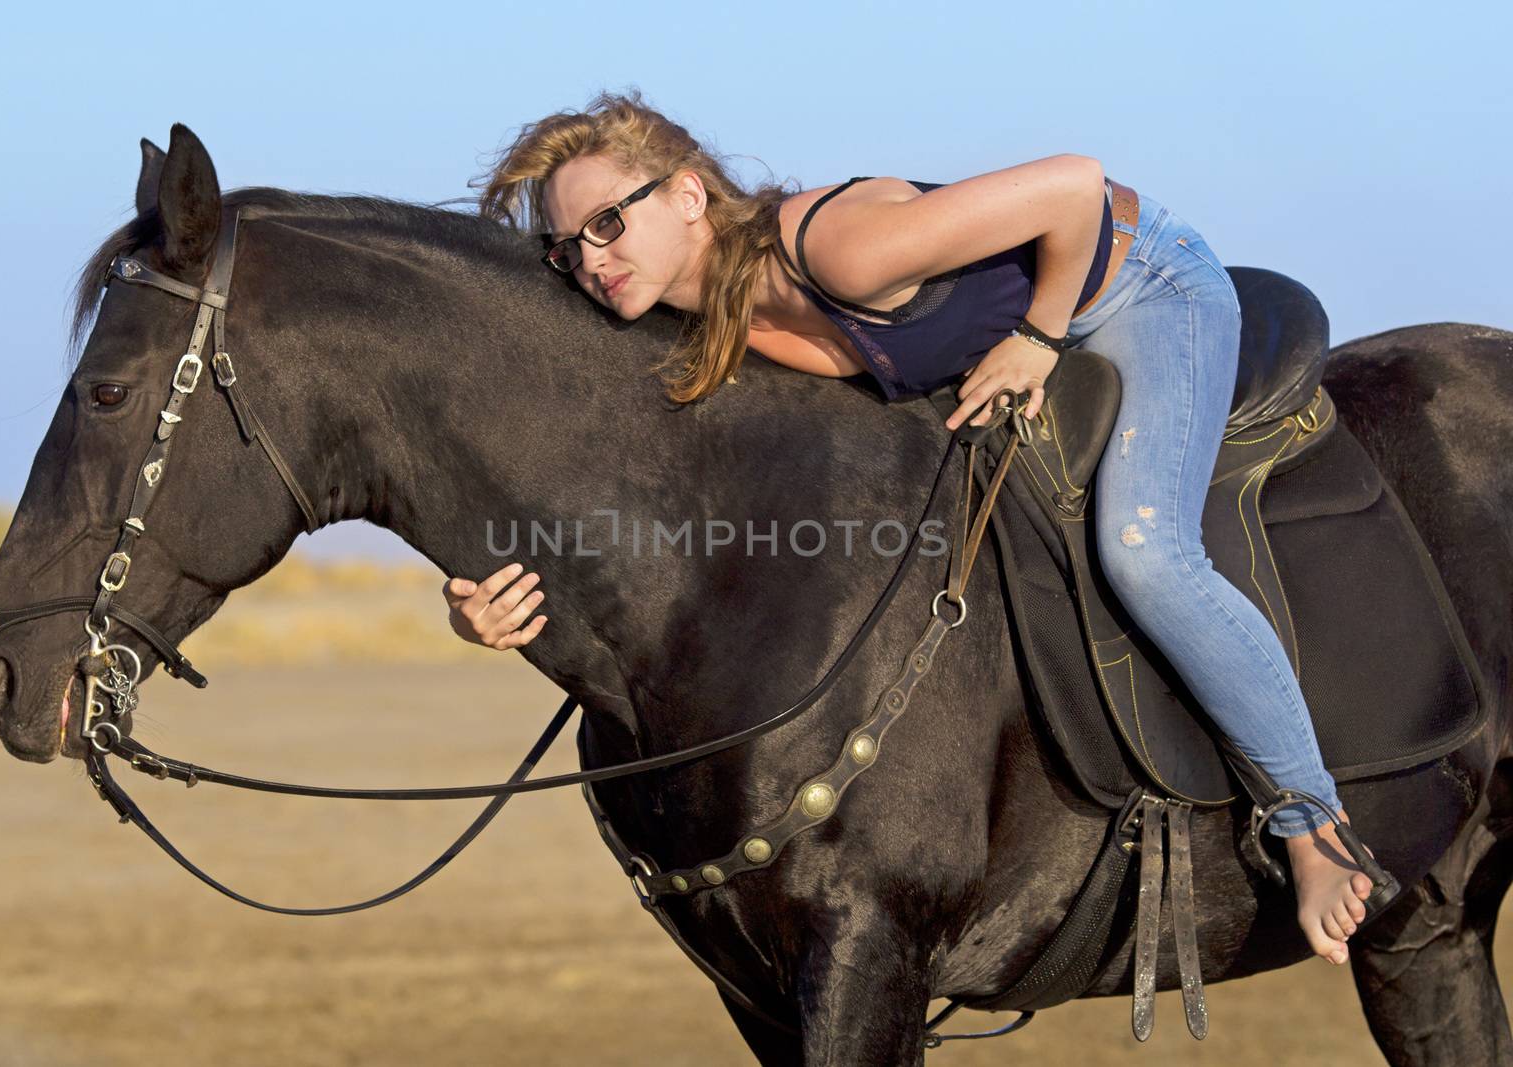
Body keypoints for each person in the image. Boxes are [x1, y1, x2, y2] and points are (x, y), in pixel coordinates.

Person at [446, 88, 1375, 965]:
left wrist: (1042, 336)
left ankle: (1311, 821)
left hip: (1134, 285)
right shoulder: (705, 319)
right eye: (568, 247)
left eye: (608, 222)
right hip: (1042, 321)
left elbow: (1074, 187)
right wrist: (503, 590)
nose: (591, 257)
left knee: (1145, 552)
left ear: (688, 193)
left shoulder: (836, 248)